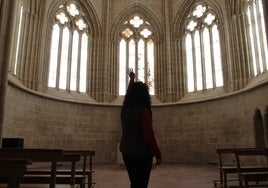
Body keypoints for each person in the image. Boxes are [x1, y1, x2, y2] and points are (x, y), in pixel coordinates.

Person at [120, 71, 162, 188]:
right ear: (145, 95)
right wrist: (157, 153)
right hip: (141, 154)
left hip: (126, 151)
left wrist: (131, 80)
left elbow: (127, 95)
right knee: (141, 184)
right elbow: (149, 135)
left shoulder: (124, 109)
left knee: (134, 182)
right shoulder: (143, 111)